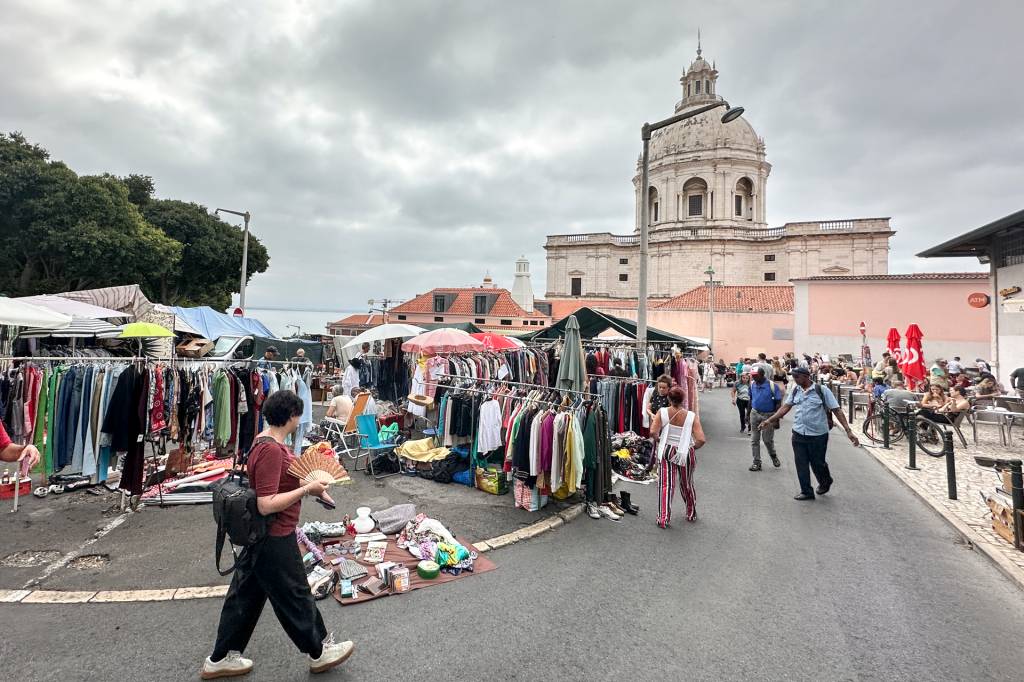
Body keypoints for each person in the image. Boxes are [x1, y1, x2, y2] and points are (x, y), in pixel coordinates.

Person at [202, 390, 354, 679]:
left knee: (243, 598)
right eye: (298, 415)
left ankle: (219, 658)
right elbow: (266, 502)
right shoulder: (272, 450)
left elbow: (280, 486)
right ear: (292, 417)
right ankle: (320, 651)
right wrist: (306, 489)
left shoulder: (264, 440)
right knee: (295, 594)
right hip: (273, 535)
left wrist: (317, 491)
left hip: (261, 535)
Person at [760, 366, 859, 501]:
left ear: (806, 376)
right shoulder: (796, 390)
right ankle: (806, 491)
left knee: (818, 463)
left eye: (797, 377)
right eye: (793, 377)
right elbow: (786, 407)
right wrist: (770, 420)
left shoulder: (822, 390)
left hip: (818, 435)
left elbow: (837, 410)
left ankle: (825, 481)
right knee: (801, 463)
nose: (794, 380)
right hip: (799, 433)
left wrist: (849, 431)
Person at [649, 386, 706, 528]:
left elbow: (653, 432)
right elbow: (701, 439)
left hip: (667, 450)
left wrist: (659, 439)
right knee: (687, 483)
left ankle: (663, 518)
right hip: (685, 451)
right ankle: (691, 512)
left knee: (666, 485)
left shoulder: (662, 412)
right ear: (683, 400)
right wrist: (691, 448)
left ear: (669, 398)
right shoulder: (692, 416)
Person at [747, 368, 783, 471]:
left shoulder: (772, 386)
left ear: (762, 374)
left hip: (768, 416)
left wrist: (776, 419)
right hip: (755, 413)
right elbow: (751, 399)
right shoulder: (752, 385)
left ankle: (773, 455)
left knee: (767, 440)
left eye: (755, 375)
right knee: (754, 440)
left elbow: (778, 403)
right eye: (752, 375)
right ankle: (756, 462)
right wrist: (747, 414)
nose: (753, 377)